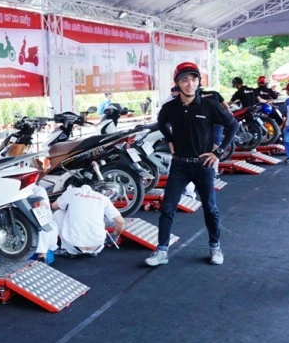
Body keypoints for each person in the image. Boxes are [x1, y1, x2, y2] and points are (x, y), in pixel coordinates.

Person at [146, 62, 238, 267]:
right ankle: (161, 251)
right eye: (185, 80)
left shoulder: (209, 105)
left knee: (210, 208)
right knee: (167, 208)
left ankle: (215, 247)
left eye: (194, 79)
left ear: (198, 82)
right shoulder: (170, 107)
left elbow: (233, 125)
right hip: (179, 165)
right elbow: (161, 123)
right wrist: (170, 139)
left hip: (203, 165)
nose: (190, 84)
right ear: (177, 83)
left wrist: (218, 152)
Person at [50, 182, 124, 257]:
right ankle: (92, 251)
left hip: (74, 247)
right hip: (98, 247)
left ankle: (66, 249)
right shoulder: (103, 198)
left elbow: (54, 206)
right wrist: (114, 236)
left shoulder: (72, 192)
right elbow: (120, 222)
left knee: (58, 213)